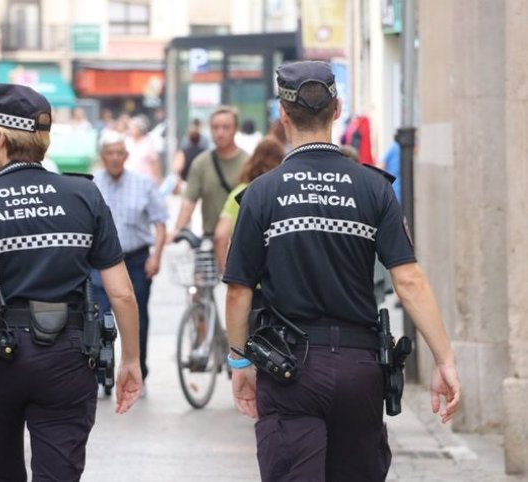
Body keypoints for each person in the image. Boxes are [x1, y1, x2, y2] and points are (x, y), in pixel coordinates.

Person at [222, 61, 461, 481]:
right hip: (359, 369)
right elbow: (408, 280)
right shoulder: (374, 188)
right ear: (337, 110)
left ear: (282, 113)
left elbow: (239, 290)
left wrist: (240, 364)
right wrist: (444, 359)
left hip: (288, 370)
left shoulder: (261, 194)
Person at [0, 83, 142, 481]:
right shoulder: (84, 194)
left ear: (0, 138)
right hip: (68, 358)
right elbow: (122, 292)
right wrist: (131, 360)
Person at [91, 132, 167, 395]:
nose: (114, 157)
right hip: (99, 262)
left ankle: (139, 373)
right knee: (99, 319)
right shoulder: (92, 185)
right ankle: (103, 378)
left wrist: (156, 256)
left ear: (126, 155)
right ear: (102, 157)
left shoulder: (143, 184)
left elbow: (159, 222)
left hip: (135, 259)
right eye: (109, 153)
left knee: (137, 320)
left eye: (118, 152)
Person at [172, 106, 248, 240]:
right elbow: (189, 201)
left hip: (242, 240)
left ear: (235, 129)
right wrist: (177, 231)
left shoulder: (248, 163)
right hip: (210, 238)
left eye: (226, 127)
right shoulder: (201, 163)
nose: (220, 132)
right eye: (215, 127)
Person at [214, 137, 284, 273]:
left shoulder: (240, 192)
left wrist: (227, 273)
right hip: (278, 280)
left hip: (247, 278)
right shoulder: (285, 191)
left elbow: (221, 236)